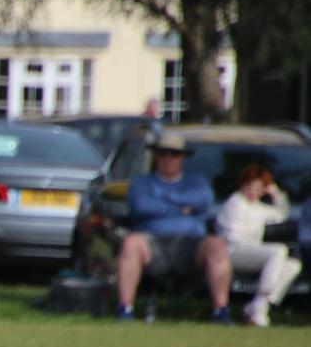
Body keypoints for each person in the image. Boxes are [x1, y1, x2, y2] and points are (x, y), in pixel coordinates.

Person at [113, 133, 232, 323]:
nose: (168, 158)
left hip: (191, 244)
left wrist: (163, 201)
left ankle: (221, 310)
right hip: (153, 243)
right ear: (155, 156)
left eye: (174, 154)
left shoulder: (197, 182)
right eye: (162, 153)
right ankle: (125, 308)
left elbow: (203, 200)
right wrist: (180, 208)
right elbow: (141, 206)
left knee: (216, 245)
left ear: (183, 157)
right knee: (131, 243)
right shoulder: (142, 182)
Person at [216, 164, 301, 327]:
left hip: (251, 253)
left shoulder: (260, 208)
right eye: (250, 187)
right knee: (278, 251)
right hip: (231, 252)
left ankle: (258, 306)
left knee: (293, 265)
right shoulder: (234, 203)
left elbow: (283, 213)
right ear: (243, 185)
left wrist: (275, 192)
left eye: (258, 188)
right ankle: (259, 308)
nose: (253, 192)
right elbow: (233, 237)